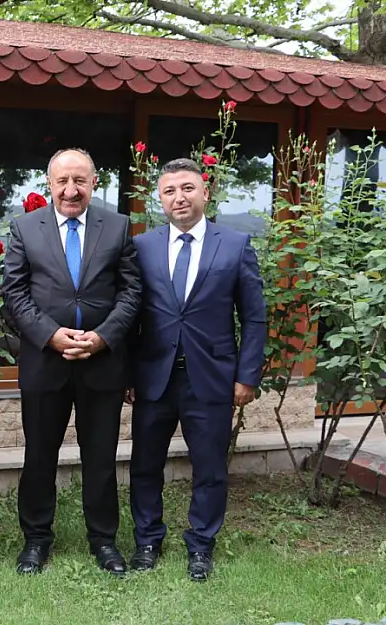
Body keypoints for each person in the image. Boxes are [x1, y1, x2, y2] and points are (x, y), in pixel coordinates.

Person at [0, 148, 141, 576]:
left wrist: (103, 338)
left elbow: (132, 292)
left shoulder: (117, 227)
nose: (70, 190)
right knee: (39, 457)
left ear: (94, 183)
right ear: (49, 184)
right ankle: (36, 541)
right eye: (62, 181)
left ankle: (104, 541)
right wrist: (50, 335)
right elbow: (14, 293)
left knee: (100, 459)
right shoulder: (26, 228)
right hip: (46, 362)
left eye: (79, 180)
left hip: (102, 366)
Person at [126, 158, 266, 581]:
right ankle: (148, 539)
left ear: (205, 192)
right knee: (144, 465)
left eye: (187, 188)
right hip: (154, 377)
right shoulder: (143, 247)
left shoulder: (236, 244)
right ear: (159, 199)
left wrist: (247, 376)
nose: (179, 198)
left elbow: (254, 317)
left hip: (212, 379)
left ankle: (201, 544)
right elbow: (131, 315)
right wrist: (129, 375)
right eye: (169, 191)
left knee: (209, 468)